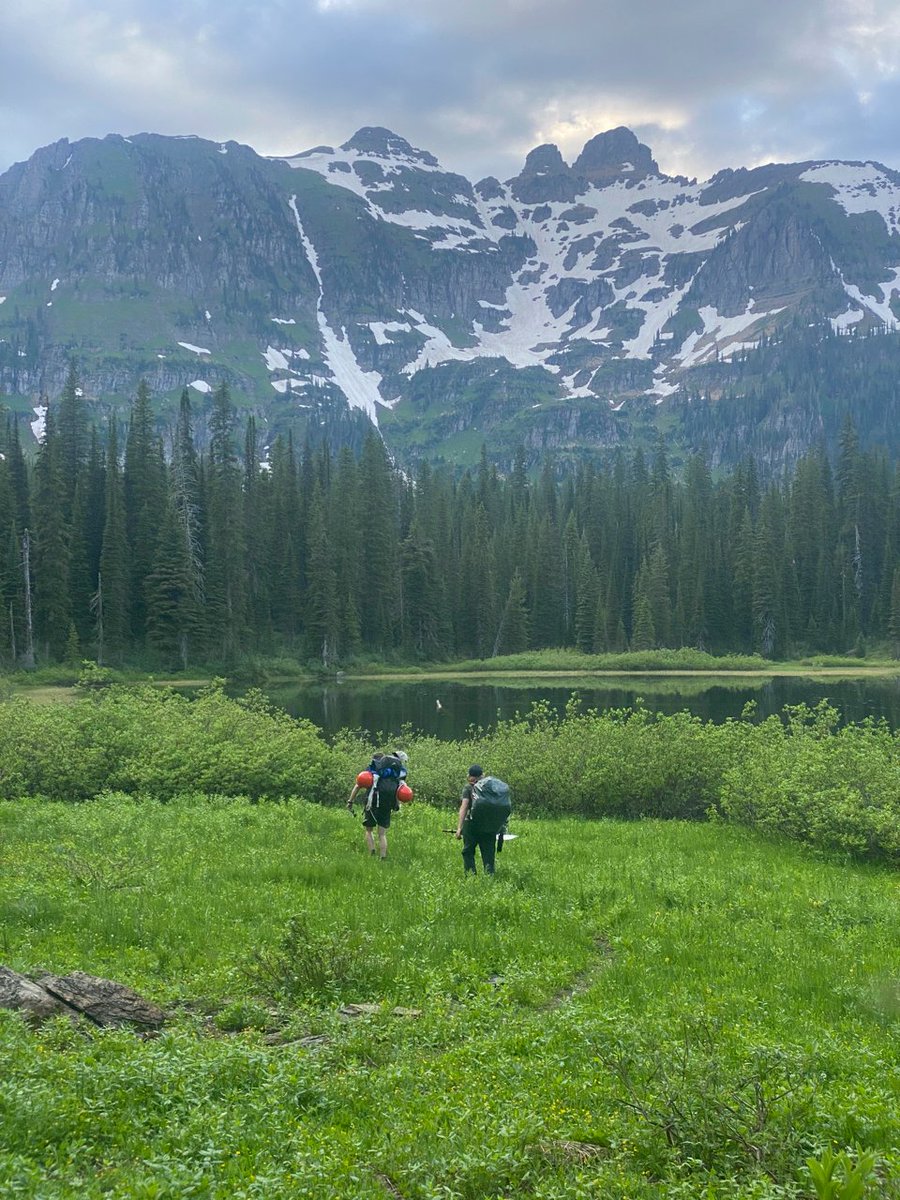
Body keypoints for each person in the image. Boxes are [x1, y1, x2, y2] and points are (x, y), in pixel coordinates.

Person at [347, 749, 408, 859]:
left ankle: (372, 852)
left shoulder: (373, 770)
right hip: (388, 803)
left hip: (373, 801)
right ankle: (383, 857)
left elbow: (358, 785)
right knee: (382, 833)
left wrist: (350, 801)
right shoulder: (395, 774)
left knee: (369, 830)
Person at [455, 764, 501, 875]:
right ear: (482, 775)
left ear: (470, 775)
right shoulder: (491, 787)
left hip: (471, 825)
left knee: (468, 851)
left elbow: (464, 807)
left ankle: (471, 876)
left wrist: (459, 828)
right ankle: (489, 876)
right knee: (489, 852)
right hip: (489, 825)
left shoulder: (468, 787)